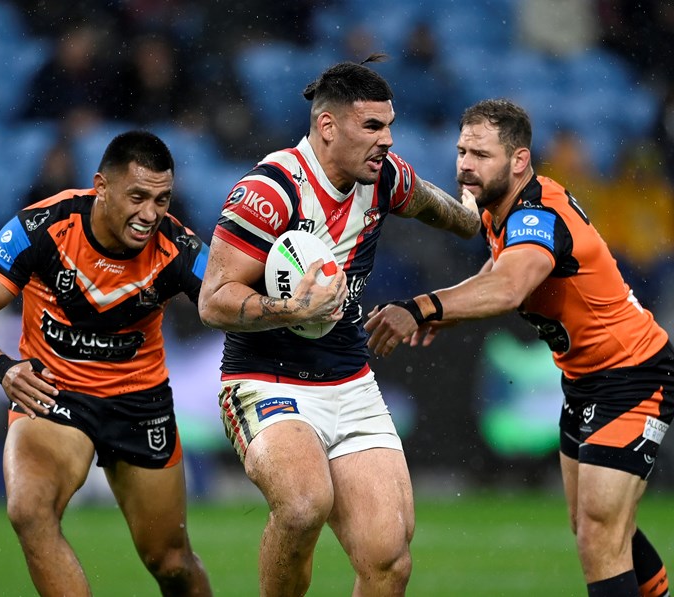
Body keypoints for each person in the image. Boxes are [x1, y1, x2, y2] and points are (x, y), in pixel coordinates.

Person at [365, 99, 674, 597]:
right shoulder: (504, 208)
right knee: (593, 528)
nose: (466, 164)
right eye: (461, 151)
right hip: (584, 382)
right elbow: (494, 274)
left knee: (601, 536)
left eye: (481, 154)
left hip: (635, 375)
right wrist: (446, 310)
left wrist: (424, 306)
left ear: (518, 160)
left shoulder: (537, 216)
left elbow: (510, 287)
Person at [197, 55, 480, 596]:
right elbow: (213, 301)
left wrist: (470, 214)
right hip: (265, 380)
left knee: (389, 559)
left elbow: (435, 208)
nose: (388, 140)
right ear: (327, 127)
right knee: (303, 506)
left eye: (390, 126)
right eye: (373, 126)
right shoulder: (270, 191)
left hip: (349, 382)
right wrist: (292, 311)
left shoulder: (385, 179)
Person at [0, 131, 214, 597]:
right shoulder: (40, 228)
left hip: (138, 403)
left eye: (162, 199)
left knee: (170, 563)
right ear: (101, 187)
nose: (151, 214)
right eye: (138, 197)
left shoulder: (178, 247)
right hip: (54, 395)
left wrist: (285, 306)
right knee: (29, 510)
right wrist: (4, 368)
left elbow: (227, 298)